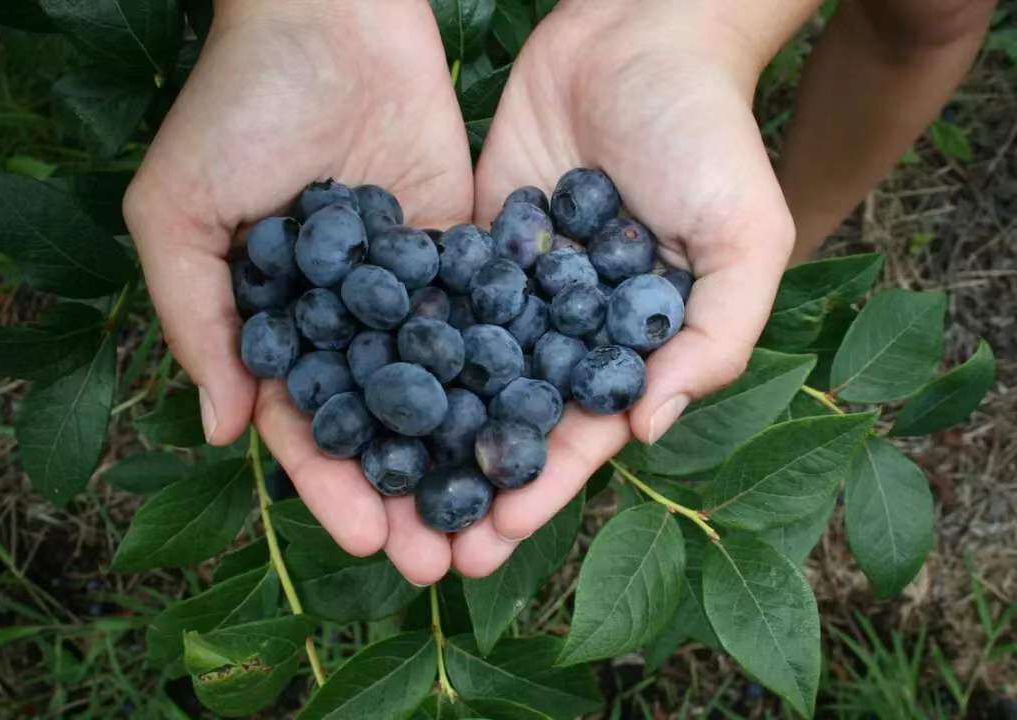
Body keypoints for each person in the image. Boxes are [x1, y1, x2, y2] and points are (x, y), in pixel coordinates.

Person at [122, 0, 997, 585]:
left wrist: (678, 26)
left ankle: (790, 227)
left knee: (931, 11)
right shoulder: (409, 323)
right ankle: (764, 237)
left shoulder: (501, 310)